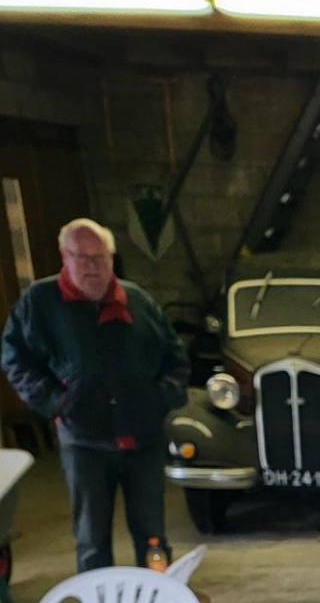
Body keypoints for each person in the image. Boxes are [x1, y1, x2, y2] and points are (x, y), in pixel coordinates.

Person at [0, 217, 190, 571]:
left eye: (99, 257)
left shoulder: (138, 302)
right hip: (85, 444)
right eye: (82, 257)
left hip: (143, 442)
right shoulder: (40, 304)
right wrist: (56, 402)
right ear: (64, 257)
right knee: (91, 540)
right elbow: (15, 359)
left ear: (111, 258)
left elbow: (175, 357)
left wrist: (163, 396)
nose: (92, 267)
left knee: (152, 536)